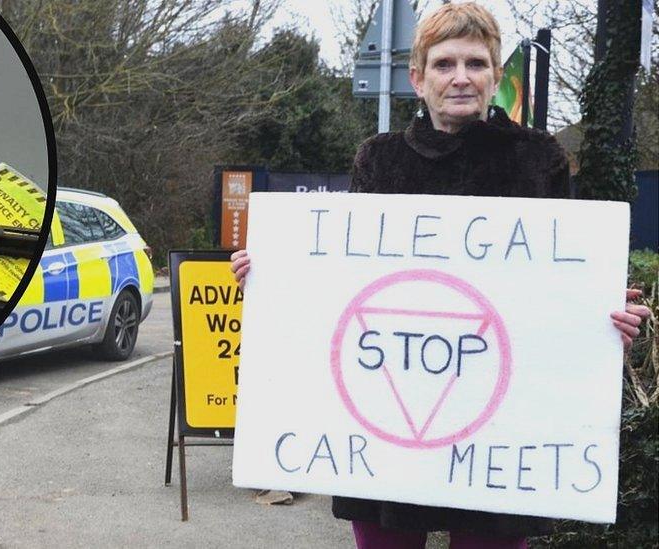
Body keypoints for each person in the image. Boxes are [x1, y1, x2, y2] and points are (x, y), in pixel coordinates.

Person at [229, 3, 650, 548]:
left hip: (505, 428)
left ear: (496, 76)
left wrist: (605, 310)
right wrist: (276, 275)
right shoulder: (378, 160)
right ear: (417, 77)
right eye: (444, 63)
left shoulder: (537, 159)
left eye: (475, 63)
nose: (460, 77)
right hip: (389, 420)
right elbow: (343, 285)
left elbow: (559, 284)